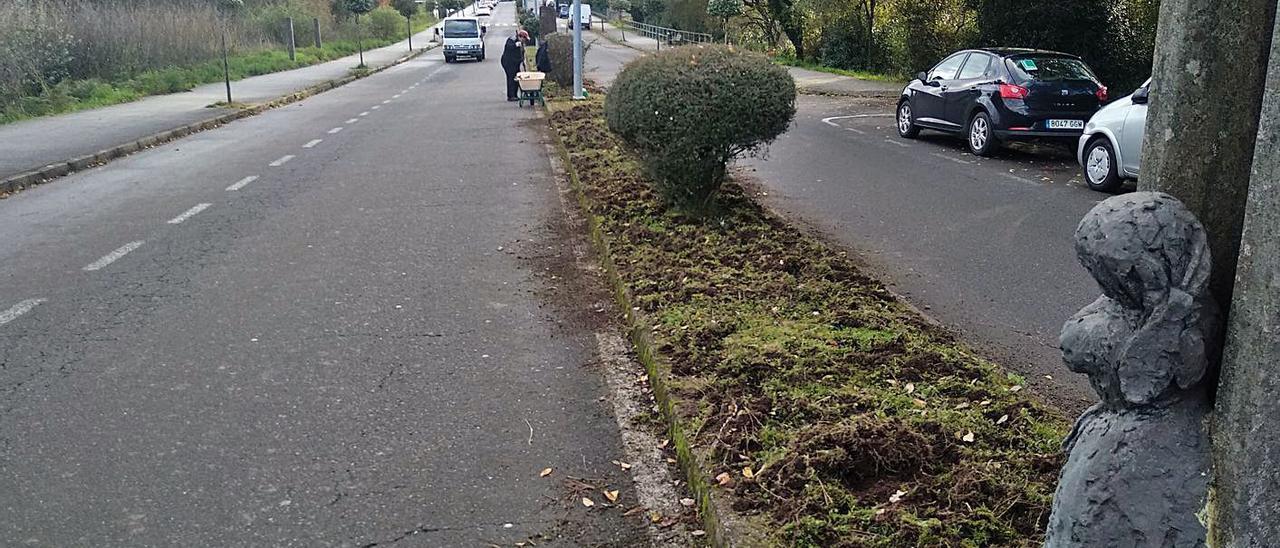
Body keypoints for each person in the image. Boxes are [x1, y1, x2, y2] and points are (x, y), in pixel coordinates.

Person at [501, 30, 529, 101]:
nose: (524, 40)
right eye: (524, 38)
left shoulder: (521, 43)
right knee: (511, 77)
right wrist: (515, 45)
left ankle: (515, 94)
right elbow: (508, 47)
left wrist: (522, 61)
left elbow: (521, 54)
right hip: (508, 62)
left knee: (517, 77)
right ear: (520, 37)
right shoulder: (511, 40)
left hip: (515, 62)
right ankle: (511, 96)